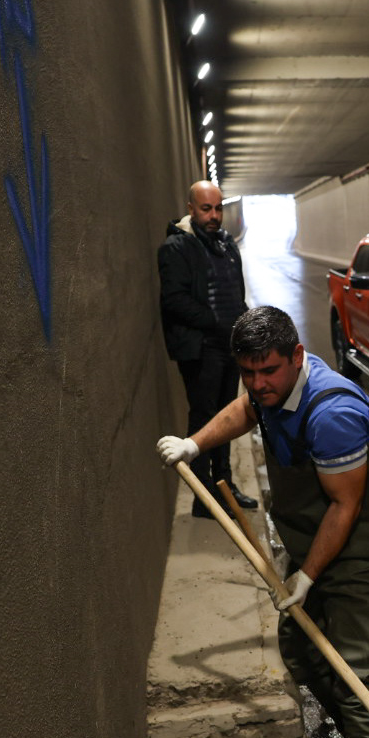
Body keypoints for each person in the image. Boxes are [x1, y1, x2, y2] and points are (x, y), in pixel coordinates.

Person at [156, 306, 369, 738]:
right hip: (324, 546)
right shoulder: (269, 389)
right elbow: (244, 410)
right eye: (249, 372)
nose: (258, 384)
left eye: (269, 371)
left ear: (297, 357)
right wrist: (196, 444)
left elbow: (346, 507)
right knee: (300, 649)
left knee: (358, 676)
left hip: (364, 554)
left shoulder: (331, 412)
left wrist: (307, 576)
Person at [157, 180, 258, 514]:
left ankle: (225, 488)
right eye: (206, 208)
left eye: (218, 208)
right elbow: (175, 301)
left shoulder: (225, 244)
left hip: (228, 347)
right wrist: (214, 320)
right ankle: (203, 499)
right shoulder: (177, 247)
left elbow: (235, 292)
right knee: (203, 420)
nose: (214, 215)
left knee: (226, 419)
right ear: (191, 209)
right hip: (201, 350)